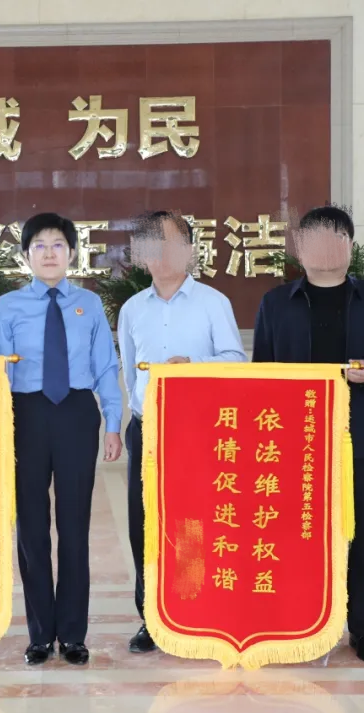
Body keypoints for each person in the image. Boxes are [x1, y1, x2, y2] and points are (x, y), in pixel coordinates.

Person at [252, 205, 364, 663]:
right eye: (313, 238)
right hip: (293, 440)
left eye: (334, 236)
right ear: (299, 248)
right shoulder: (275, 303)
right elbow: (262, 371)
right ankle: (294, 624)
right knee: (295, 533)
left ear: (349, 246)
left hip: (360, 436)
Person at [0, 212, 123, 666]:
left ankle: (74, 634)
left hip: (76, 414)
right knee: (31, 528)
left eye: (58, 245)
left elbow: (106, 366)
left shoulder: (89, 303)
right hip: (24, 415)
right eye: (40, 246)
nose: (49, 253)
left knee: (74, 525)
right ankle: (40, 635)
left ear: (72, 253)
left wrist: (112, 423)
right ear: (25, 255)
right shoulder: (8, 306)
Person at [116, 210, 247, 654]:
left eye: (170, 243)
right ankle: (150, 617)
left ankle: (192, 611)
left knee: (193, 522)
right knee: (145, 523)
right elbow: (130, 372)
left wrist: (195, 367)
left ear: (190, 250)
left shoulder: (213, 302)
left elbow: (235, 360)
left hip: (198, 431)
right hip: (147, 430)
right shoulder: (132, 309)